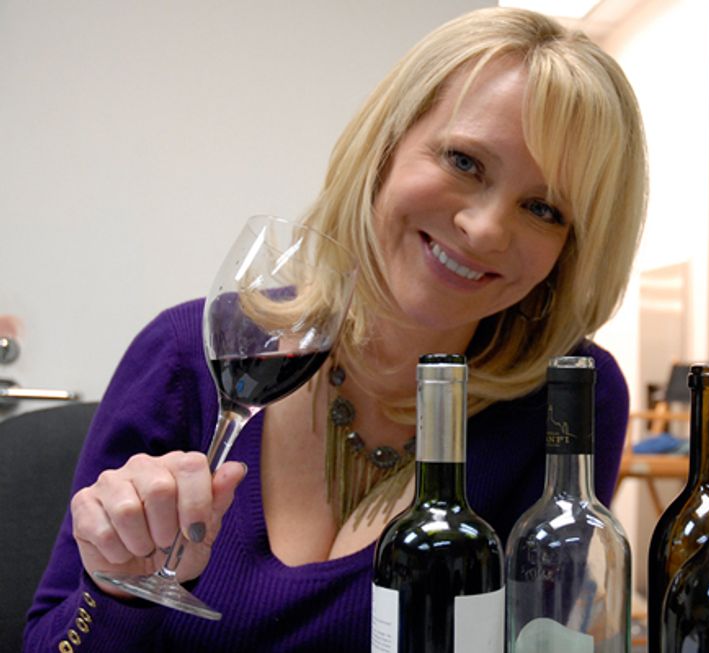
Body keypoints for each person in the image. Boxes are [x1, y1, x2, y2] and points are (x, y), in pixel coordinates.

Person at [23, 7, 647, 651]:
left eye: (543, 208)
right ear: (385, 148)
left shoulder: (570, 399)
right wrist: (119, 593)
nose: (486, 229)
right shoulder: (186, 355)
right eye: (464, 162)